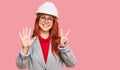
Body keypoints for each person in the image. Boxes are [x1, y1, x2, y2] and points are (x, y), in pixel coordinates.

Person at [16, 1, 76, 70]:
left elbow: (72, 64)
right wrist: (25, 48)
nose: (46, 21)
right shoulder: (29, 42)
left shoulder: (60, 42)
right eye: (43, 18)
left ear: (54, 22)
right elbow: (20, 66)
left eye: (50, 19)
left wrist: (64, 48)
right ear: (38, 20)